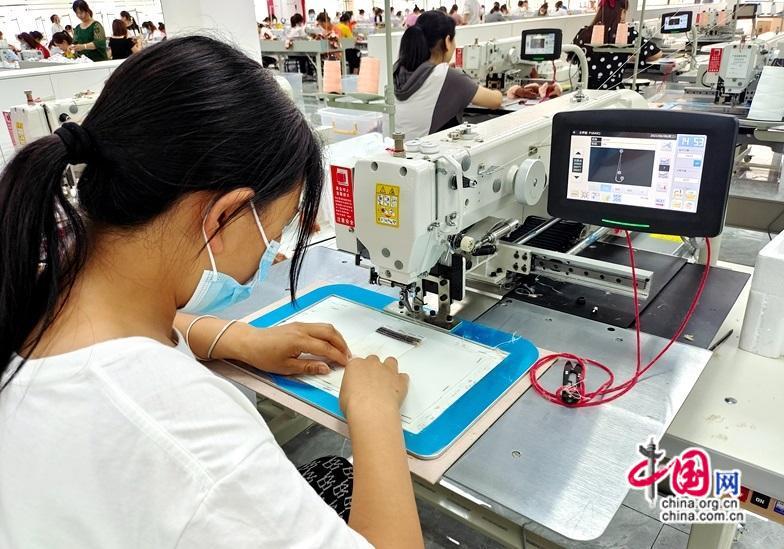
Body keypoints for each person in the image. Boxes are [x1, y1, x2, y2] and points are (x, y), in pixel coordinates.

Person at [0, 35, 424, 549]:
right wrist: (376, 415)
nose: (272, 252)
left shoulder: (41, 282)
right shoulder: (188, 435)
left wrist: (239, 339)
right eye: (276, 231)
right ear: (223, 216)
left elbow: (139, 332)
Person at [394, 10, 502, 139]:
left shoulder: (398, 70)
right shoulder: (447, 76)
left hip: (396, 147)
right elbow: (495, 101)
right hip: (428, 149)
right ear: (447, 41)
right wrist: (508, 90)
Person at [573, 0, 661, 90]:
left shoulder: (583, 33)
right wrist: (631, 57)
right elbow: (657, 53)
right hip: (612, 92)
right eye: (625, 12)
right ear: (622, 12)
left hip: (584, 92)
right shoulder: (626, 33)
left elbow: (572, 57)